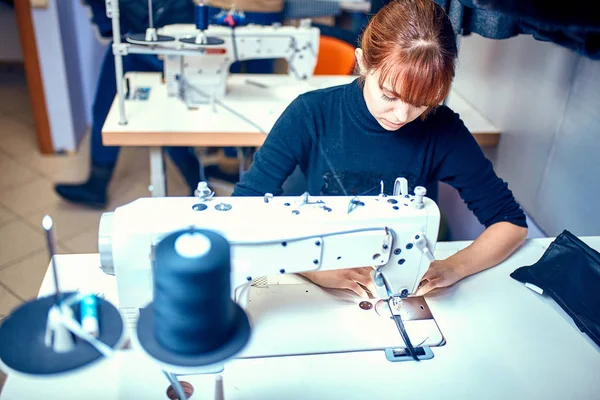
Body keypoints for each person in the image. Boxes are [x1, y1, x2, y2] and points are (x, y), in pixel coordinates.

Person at [232, 0, 529, 298]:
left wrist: (454, 266)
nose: (401, 116)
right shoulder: (310, 113)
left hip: (393, 275)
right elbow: (242, 209)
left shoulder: (442, 128)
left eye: (421, 103)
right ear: (363, 62)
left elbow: (510, 223)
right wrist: (312, 268)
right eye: (389, 96)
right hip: (319, 266)